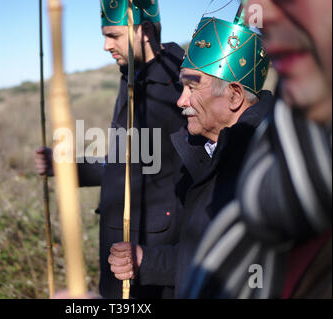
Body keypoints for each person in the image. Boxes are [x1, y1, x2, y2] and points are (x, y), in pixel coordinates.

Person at [109, 13, 274, 298]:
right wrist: (146, 261)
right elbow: (201, 254)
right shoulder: (203, 150)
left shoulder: (269, 166)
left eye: (192, 87)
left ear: (234, 96)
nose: (180, 100)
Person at [181, 0, 332, 299]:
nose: (259, 10)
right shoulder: (265, 168)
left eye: (192, 87)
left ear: (235, 95)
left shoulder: (260, 165)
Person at [36, 0, 186, 298]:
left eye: (114, 35)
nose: (105, 45)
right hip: (119, 248)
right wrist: (66, 168)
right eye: (104, 35)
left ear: (143, 31)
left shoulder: (178, 88)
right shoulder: (132, 74)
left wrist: (162, 261)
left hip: (150, 261)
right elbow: (123, 162)